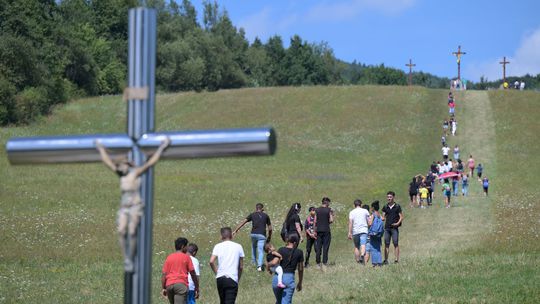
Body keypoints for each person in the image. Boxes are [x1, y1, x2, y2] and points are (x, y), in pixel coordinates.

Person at [96, 137, 170, 272]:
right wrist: (101, 148)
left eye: (121, 165)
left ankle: (131, 257)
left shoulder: (135, 173)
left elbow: (151, 162)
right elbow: (107, 162)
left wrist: (161, 147)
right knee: (121, 230)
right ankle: (127, 259)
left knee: (131, 231)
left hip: (135, 206)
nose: (119, 167)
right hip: (124, 208)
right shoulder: (121, 175)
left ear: (127, 165)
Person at [232, 203, 272, 272]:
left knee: (253, 247)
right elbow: (270, 228)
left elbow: (243, 222)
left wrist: (236, 230)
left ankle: (253, 263)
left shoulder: (252, 214)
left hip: (253, 234)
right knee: (260, 251)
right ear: (262, 209)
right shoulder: (266, 216)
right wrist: (269, 237)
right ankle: (259, 266)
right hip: (262, 235)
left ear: (256, 208)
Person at [209, 227, 244, 304]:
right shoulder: (238, 246)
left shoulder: (217, 246)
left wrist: (217, 273)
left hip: (220, 279)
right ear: (231, 235)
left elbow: (211, 261)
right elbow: (241, 267)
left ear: (221, 236)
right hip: (232, 278)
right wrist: (237, 278)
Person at [161, 237, 199, 304]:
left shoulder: (169, 257)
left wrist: (164, 288)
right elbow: (192, 273)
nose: (187, 248)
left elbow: (164, 274)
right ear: (182, 246)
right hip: (181, 285)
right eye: (186, 246)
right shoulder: (186, 257)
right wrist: (196, 287)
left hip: (169, 285)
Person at [268, 234, 304, 304]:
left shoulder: (281, 250)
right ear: (295, 243)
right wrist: (300, 282)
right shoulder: (299, 252)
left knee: (279, 302)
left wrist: (268, 267)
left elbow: (274, 262)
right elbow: (301, 268)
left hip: (277, 279)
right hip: (288, 279)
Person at [382, 191, 403, 264]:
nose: (389, 198)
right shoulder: (385, 206)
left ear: (393, 197)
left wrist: (397, 223)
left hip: (394, 228)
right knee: (386, 244)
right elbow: (383, 216)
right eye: (388, 197)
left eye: (390, 197)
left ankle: (396, 260)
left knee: (395, 243)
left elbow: (401, 217)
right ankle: (386, 260)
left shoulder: (397, 206)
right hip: (387, 228)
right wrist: (382, 218)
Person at [347, 199, 370, 264]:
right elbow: (368, 221)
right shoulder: (365, 211)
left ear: (354, 205)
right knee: (363, 244)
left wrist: (349, 232)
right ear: (361, 204)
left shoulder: (351, 212)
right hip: (364, 230)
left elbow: (350, 223)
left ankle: (358, 261)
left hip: (355, 231)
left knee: (356, 246)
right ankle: (362, 254)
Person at [315, 197, 334, 268]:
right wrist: (331, 215)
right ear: (327, 202)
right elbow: (331, 220)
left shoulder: (316, 210)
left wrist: (314, 230)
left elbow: (315, 221)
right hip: (326, 230)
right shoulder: (329, 210)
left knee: (318, 247)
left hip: (318, 230)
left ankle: (318, 263)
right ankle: (324, 263)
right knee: (325, 247)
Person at [368, 201, 384, 267]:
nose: (371, 208)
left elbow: (370, 223)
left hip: (373, 233)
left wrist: (368, 226)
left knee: (373, 248)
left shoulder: (373, 215)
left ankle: (374, 263)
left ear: (373, 208)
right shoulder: (379, 214)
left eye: (371, 207)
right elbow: (383, 219)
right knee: (378, 248)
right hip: (379, 234)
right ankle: (380, 262)